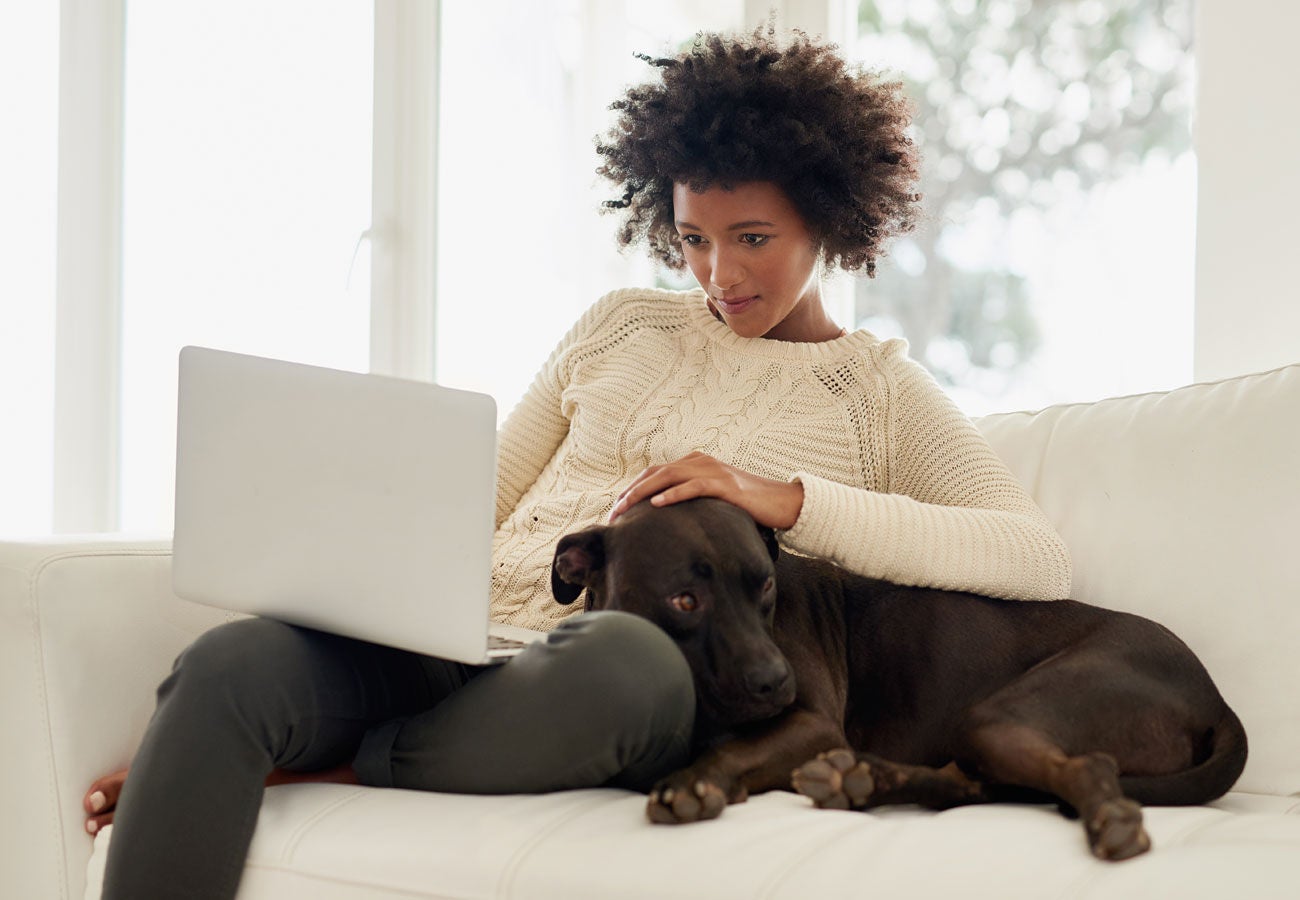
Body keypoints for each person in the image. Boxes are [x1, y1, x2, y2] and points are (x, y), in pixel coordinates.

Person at [84, 27, 1071, 899]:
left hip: (599, 686)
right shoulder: (617, 327)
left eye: (753, 239)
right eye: (691, 239)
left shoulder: (876, 393)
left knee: (624, 660)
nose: (719, 275)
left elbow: (1033, 558)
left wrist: (776, 497)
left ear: (829, 218)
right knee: (226, 666)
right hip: (447, 648)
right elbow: (485, 497)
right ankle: (245, 743)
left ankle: (305, 768)